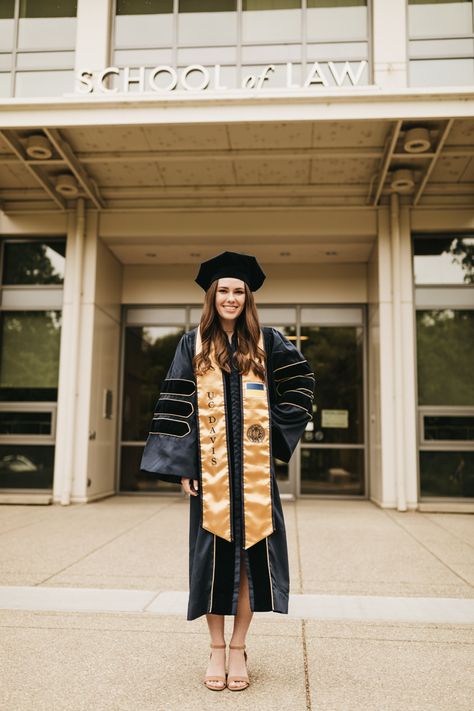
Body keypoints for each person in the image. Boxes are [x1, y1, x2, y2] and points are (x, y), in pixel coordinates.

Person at [140, 251, 315, 691]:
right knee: (214, 560)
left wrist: (271, 434)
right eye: (224, 291)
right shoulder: (192, 343)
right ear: (212, 296)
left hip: (254, 473)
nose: (231, 298)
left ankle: (239, 647)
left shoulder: (269, 341)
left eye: (239, 291)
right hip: (211, 471)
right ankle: (216, 648)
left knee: (251, 562)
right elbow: (176, 401)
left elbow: (302, 384)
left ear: (248, 297)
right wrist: (183, 465)